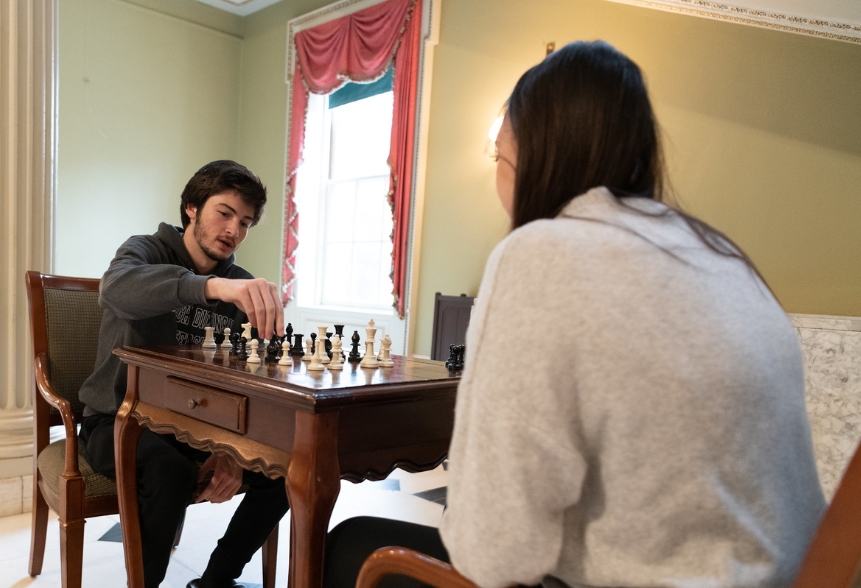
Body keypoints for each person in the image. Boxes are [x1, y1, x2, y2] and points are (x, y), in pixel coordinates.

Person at [324, 41, 826, 588]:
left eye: (501, 158)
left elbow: (491, 552)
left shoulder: (542, 252)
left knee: (351, 545)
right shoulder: (723, 258)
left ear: (534, 161)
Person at [78, 160, 289, 588]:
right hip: (118, 421)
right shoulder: (143, 250)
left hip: (196, 427)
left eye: (245, 222)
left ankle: (216, 580)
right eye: (225, 213)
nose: (234, 230)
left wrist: (232, 447)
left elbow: (255, 374)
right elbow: (115, 288)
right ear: (192, 208)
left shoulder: (240, 284)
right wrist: (210, 287)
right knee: (169, 470)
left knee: (287, 471)